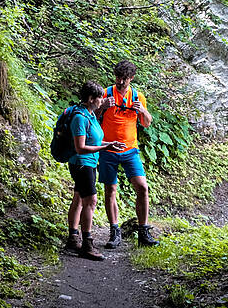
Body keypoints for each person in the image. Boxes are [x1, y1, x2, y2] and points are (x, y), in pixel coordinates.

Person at [97, 60, 159, 248]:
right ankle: (114, 232)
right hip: (107, 148)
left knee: (142, 187)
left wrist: (143, 111)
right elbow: (93, 116)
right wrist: (103, 106)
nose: (121, 81)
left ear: (131, 78)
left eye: (124, 78)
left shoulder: (137, 96)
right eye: (118, 77)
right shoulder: (106, 93)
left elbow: (147, 123)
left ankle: (143, 232)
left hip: (130, 149)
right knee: (110, 190)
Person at [64, 81, 125, 261]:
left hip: (89, 163)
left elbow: (95, 142)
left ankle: (73, 237)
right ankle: (87, 244)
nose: (103, 101)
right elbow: (81, 147)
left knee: (79, 198)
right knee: (91, 201)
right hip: (82, 164)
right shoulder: (80, 118)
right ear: (91, 99)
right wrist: (104, 149)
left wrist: (110, 145)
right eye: (100, 98)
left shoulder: (90, 115)